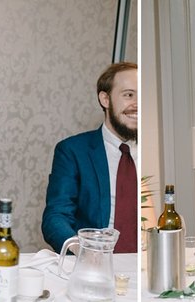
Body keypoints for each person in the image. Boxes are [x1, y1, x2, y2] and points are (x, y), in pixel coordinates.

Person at [42, 62, 138, 253]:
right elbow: (55, 217)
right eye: (129, 95)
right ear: (105, 99)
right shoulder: (72, 151)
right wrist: (83, 251)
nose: (137, 104)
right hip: (95, 263)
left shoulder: (157, 155)